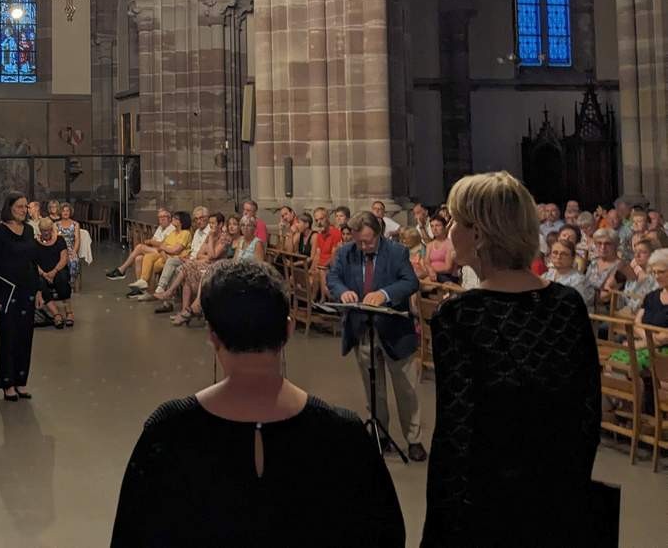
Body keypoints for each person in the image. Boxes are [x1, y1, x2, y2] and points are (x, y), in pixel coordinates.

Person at [111, 261, 404, 546]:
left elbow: (131, 534)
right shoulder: (345, 435)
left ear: (212, 336)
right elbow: (386, 533)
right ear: (288, 330)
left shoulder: (168, 432)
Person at [423, 172, 600, 547]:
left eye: (455, 219)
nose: (449, 227)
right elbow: (587, 417)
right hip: (560, 502)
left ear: (479, 234)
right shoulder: (567, 305)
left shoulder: (459, 317)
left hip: (489, 512)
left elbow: (456, 439)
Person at [326, 210, 425, 461]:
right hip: (363, 330)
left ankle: (413, 439)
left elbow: (410, 282)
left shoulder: (397, 252)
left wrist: (384, 293)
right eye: (359, 241)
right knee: (374, 389)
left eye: (368, 241)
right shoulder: (347, 252)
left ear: (379, 234)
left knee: (406, 389)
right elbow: (333, 277)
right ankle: (381, 435)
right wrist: (343, 291)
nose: (363, 246)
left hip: (394, 331)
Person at [0, 192, 43, 400]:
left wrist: (39, 289)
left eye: (25, 207)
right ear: (9, 208)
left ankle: (20, 381)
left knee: (25, 337)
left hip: (27, 290)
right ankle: (7, 383)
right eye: (19, 206)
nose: (23, 210)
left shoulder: (28, 230)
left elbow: (34, 262)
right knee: (8, 337)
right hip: (6, 291)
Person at [106, 207, 173, 280]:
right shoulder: (160, 228)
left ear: (169, 218)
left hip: (165, 253)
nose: (161, 219)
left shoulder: (171, 228)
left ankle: (122, 269)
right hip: (156, 249)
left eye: (164, 217)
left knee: (140, 247)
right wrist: (153, 242)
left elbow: (164, 245)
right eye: (159, 217)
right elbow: (153, 240)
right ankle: (140, 287)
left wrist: (152, 242)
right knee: (138, 258)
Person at [35, 218, 71, 329]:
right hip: (42, 273)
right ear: (40, 230)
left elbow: (64, 258)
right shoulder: (34, 242)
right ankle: (56, 314)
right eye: (43, 230)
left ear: (52, 229)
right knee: (38, 282)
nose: (46, 233)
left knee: (63, 277)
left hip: (57, 271)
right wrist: (44, 274)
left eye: (48, 230)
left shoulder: (60, 240)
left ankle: (69, 312)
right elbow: (32, 261)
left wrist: (54, 272)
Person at [542, 238, 593, 307]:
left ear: (573, 257)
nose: (558, 257)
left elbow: (577, 305)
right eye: (555, 252)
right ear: (550, 256)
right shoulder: (545, 276)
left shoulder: (578, 280)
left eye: (564, 254)